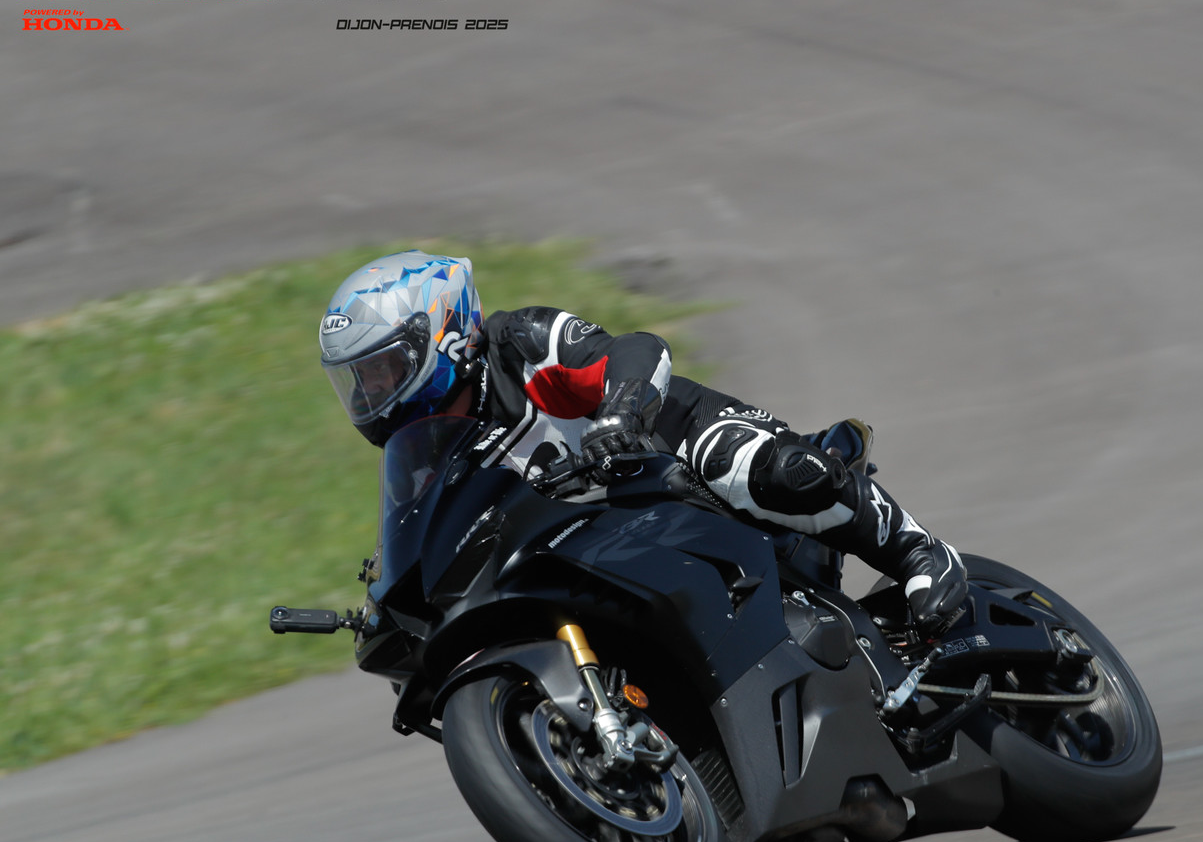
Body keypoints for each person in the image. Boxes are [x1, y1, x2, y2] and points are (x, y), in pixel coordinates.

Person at [318, 249, 967, 638]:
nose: (373, 392)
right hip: (603, 549)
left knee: (758, 466)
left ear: (446, 334)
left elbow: (636, 349)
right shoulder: (423, 459)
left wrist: (621, 412)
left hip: (668, 452)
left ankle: (919, 551)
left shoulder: (518, 344)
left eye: (385, 369)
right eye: (360, 380)